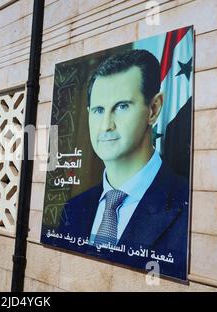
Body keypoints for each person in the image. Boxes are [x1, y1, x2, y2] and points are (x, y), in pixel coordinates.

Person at [50, 49, 189, 277]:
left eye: (122, 106)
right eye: (98, 110)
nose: (106, 125)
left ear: (153, 109)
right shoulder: (73, 209)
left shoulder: (187, 205)